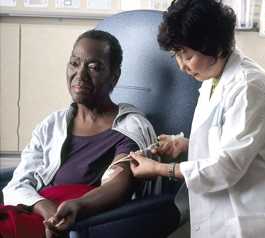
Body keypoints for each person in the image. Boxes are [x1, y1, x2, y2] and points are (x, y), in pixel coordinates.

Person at [129, 0, 265, 237]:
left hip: (258, 220)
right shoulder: (213, 78)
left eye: (187, 55)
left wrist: (160, 169)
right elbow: (232, 142)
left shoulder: (250, 88)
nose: (182, 66)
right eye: (176, 55)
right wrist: (187, 144)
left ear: (215, 46)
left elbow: (226, 167)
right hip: (226, 212)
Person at [1, 29, 157, 238]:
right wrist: (44, 207)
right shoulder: (51, 125)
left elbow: (119, 183)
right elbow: (18, 183)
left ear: (114, 76)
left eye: (93, 67)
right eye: (74, 63)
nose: (80, 75)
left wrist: (78, 206)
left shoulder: (128, 127)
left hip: (79, 219)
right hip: (37, 211)